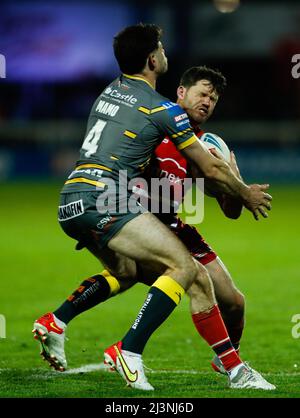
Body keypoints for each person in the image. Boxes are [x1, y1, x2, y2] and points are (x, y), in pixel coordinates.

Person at [33, 24, 273, 391]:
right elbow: (206, 168)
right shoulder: (165, 114)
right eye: (160, 47)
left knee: (130, 271)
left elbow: (210, 185)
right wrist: (243, 189)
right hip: (110, 200)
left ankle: (57, 321)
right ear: (152, 59)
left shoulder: (110, 92)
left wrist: (226, 181)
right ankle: (131, 351)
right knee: (184, 269)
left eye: (215, 98)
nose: (164, 52)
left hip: (74, 198)